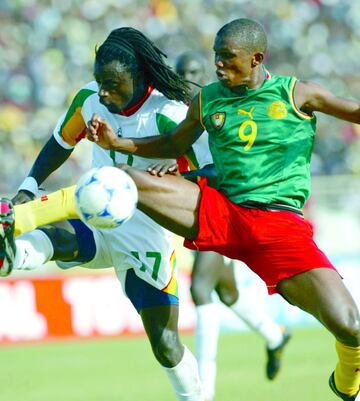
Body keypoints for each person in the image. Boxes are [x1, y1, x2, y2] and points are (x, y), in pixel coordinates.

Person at [2, 18, 360, 400]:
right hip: (217, 213)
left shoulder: (295, 94)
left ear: (256, 58)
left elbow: (354, 112)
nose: (217, 65)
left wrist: (181, 171)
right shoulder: (208, 99)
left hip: (273, 226)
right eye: (215, 56)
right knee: (118, 182)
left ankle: (345, 384)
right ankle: (15, 222)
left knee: (350, 327)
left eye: (226, 57)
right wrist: (115, 145)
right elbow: (169, 144)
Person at [0, 28, 205, 401]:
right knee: (57, 236)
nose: (104, 93)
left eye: (112, 85)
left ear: (138, 76)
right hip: (94, 212)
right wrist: (30, 185)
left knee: (166, 344)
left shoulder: (168, 113)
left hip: (145, 234)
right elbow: (61, 142)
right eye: (99, 83)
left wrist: (178, 172)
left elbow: (207, 169)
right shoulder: (89, 100)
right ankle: (13, 253)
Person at [175, 51, 291, 401]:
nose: (188, 78)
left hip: (224, 210)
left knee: (200, 290)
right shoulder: (176, 116)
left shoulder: (217, 108)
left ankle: (203, 394)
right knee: (227, 293)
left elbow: (220, 168)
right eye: (181, 73)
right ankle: (274, 335)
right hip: (196, 211)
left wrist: (184, 175)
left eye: (195, 70)